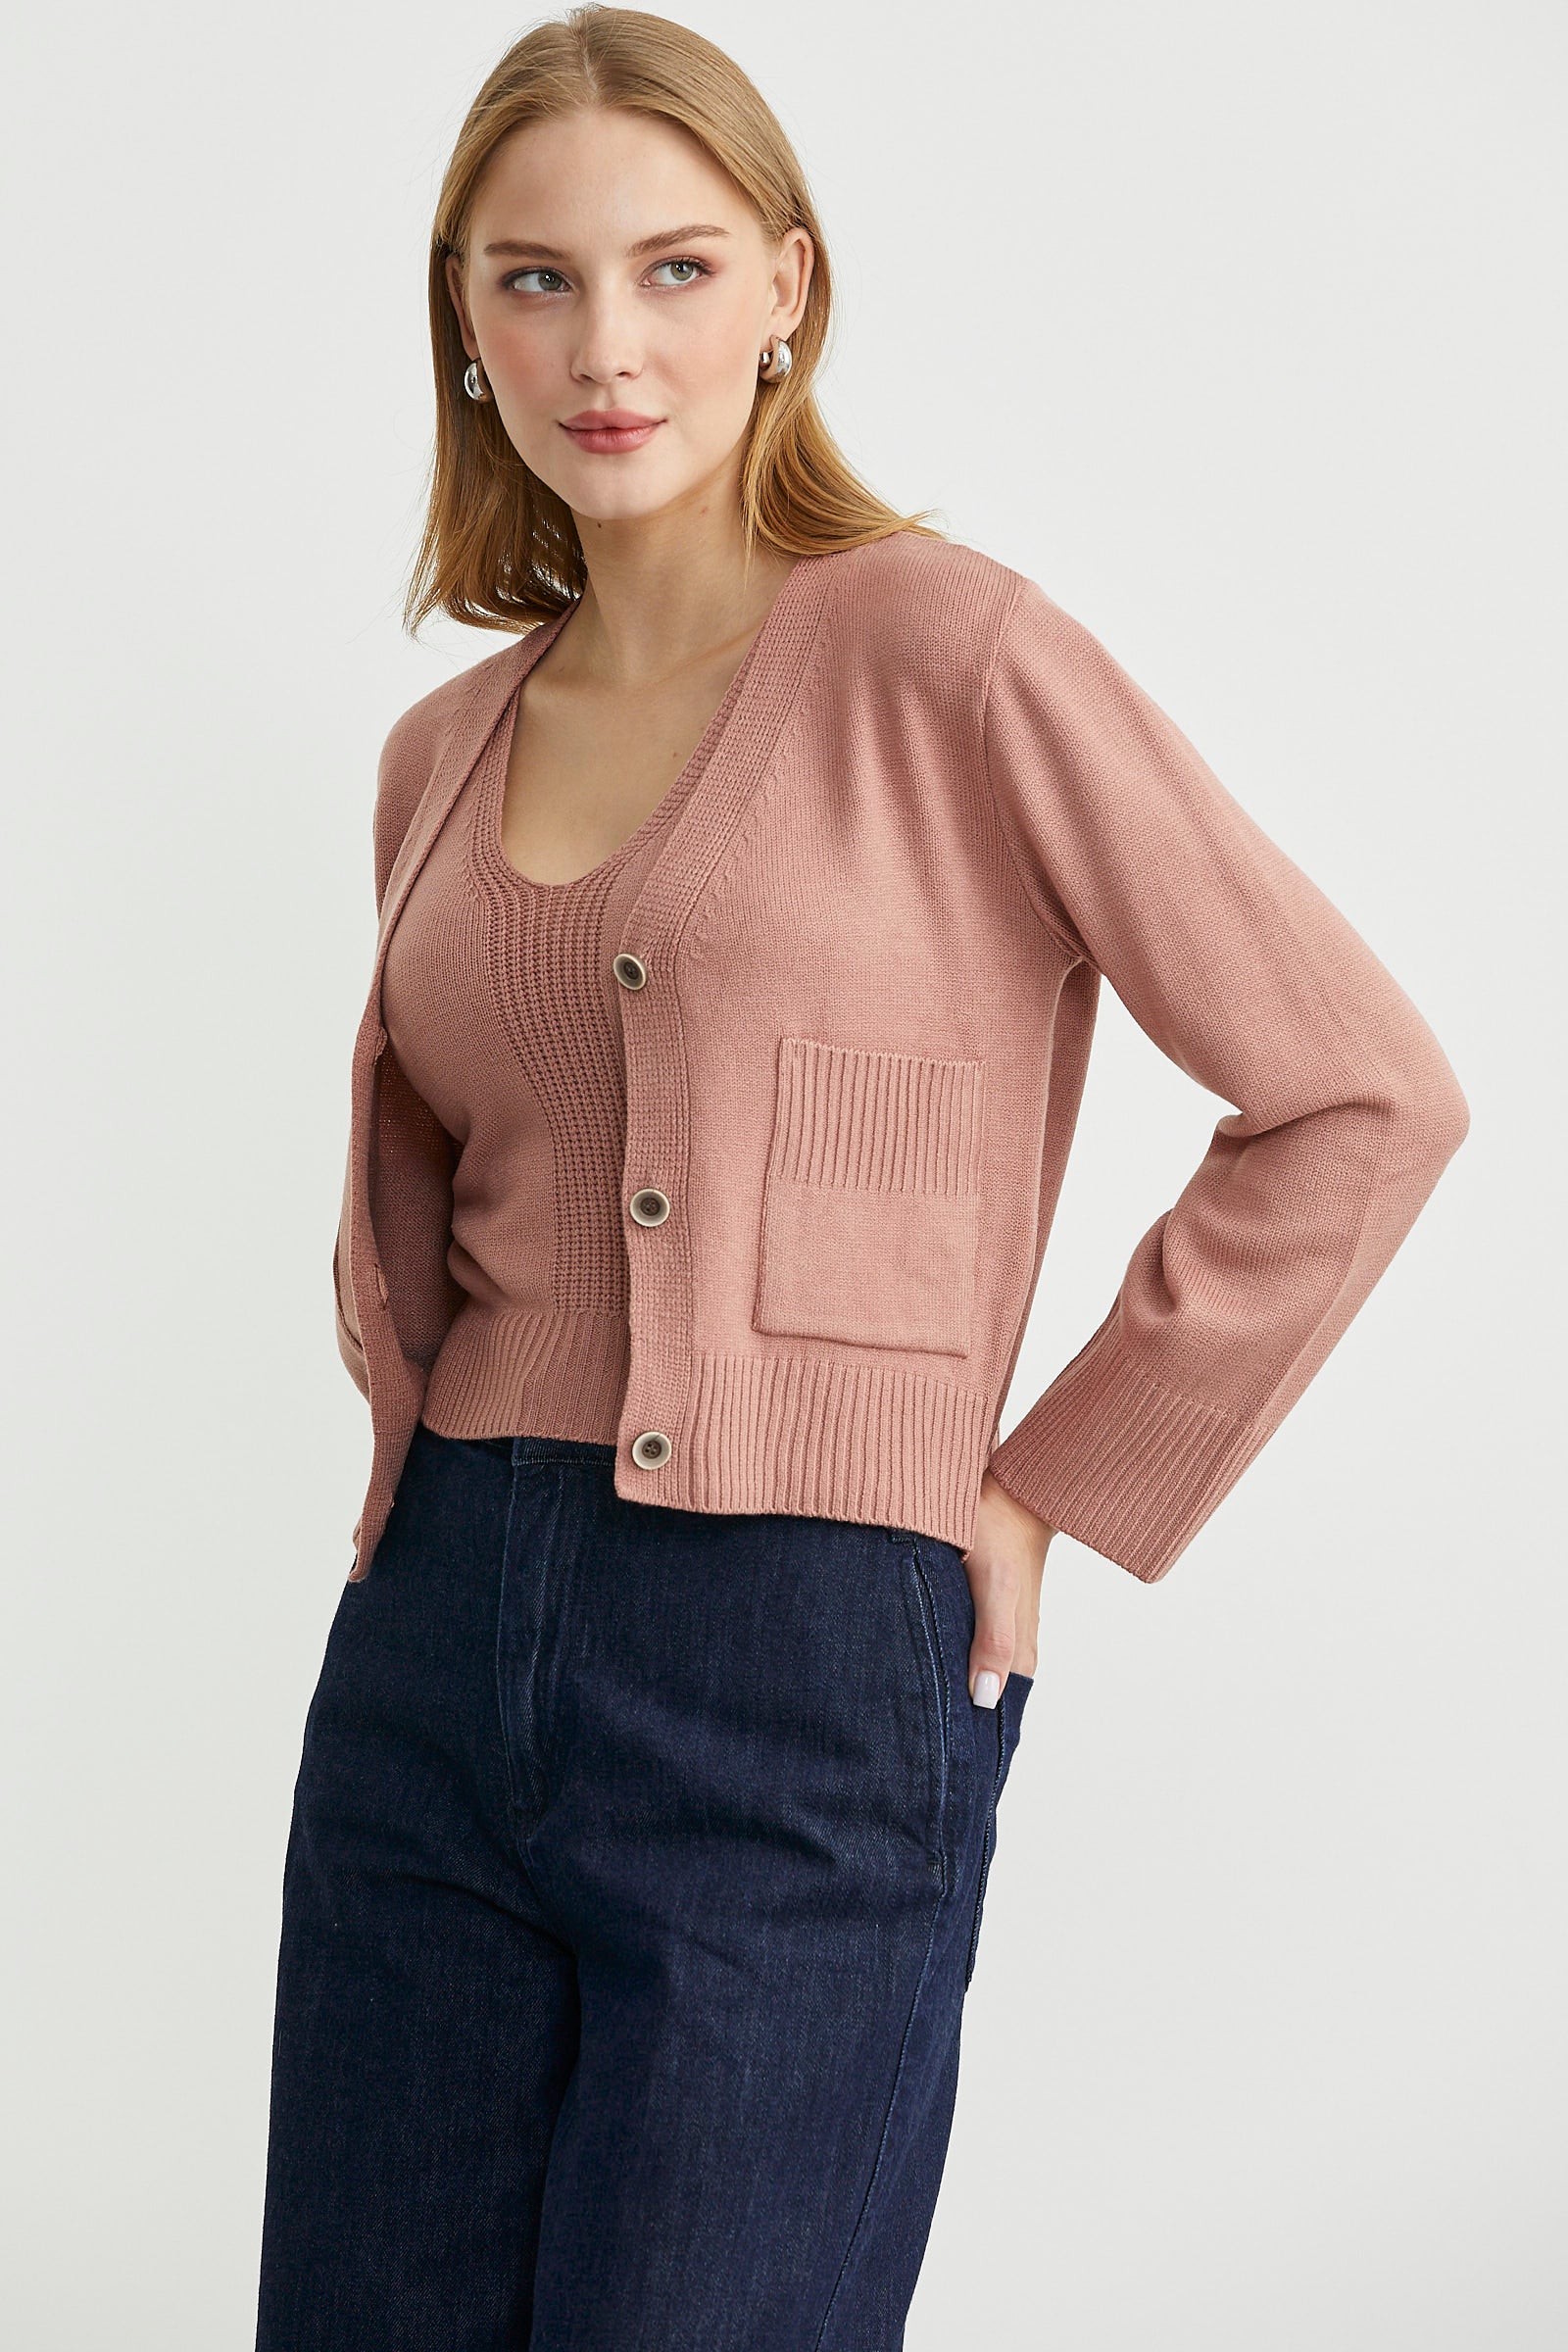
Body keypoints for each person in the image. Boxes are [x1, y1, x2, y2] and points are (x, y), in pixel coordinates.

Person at [254, 9, 1470, 2346]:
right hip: (430, 1640)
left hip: (801, 1653)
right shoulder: (439, 750)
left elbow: (1354, 1093)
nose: (605, 348)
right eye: (533, 280)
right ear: (462, 322)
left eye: (675, 268)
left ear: (786, 289)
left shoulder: (947, 656)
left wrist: (1048, 1485)